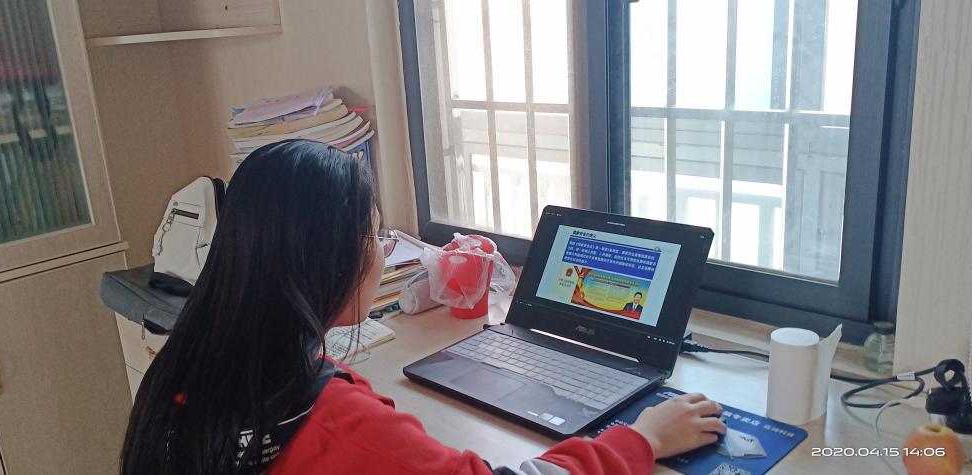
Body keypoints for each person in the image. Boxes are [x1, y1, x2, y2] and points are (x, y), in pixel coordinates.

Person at [120, 140, 727, 474]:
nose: (383, 250)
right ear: (327, 259)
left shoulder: (185, 371)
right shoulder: (333, 422)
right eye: (375, 234)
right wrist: (640, 440)